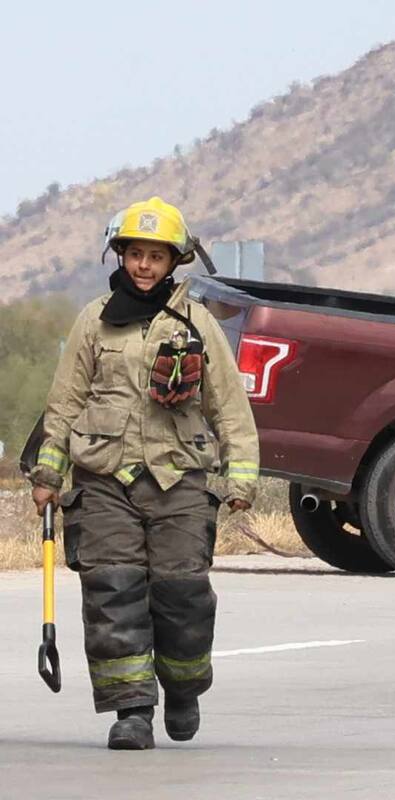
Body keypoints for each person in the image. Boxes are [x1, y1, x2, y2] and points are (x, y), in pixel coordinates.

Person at [27, 197, 259, 750]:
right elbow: (64, 404)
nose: (144, 265)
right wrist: (48, 474)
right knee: (112, 594)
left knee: (182, 598)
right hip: (105, 482)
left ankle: (182, 689)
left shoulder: (197, 324)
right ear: (121, 255)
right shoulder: (93, 321)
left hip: (180, 482)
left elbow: (230, 406)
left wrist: (242, 480)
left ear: (173, 261)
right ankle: (132, 711)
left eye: (156, 255)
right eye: (135, 253)